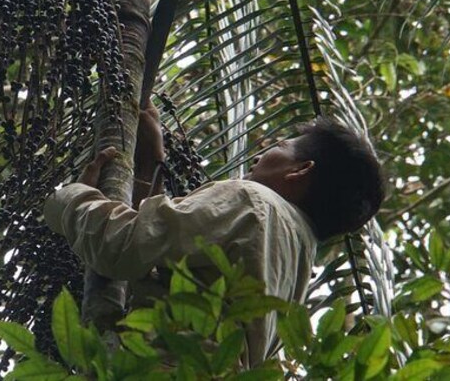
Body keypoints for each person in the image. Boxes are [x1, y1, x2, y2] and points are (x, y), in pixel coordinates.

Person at [43, 105, 384, 367]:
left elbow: (121, 248)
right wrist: (150, 167)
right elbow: (168, 281)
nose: (261, 153)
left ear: (300, 170)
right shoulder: (294, 271)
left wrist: (72, 197)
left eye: (280, 145)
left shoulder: (253, 201)